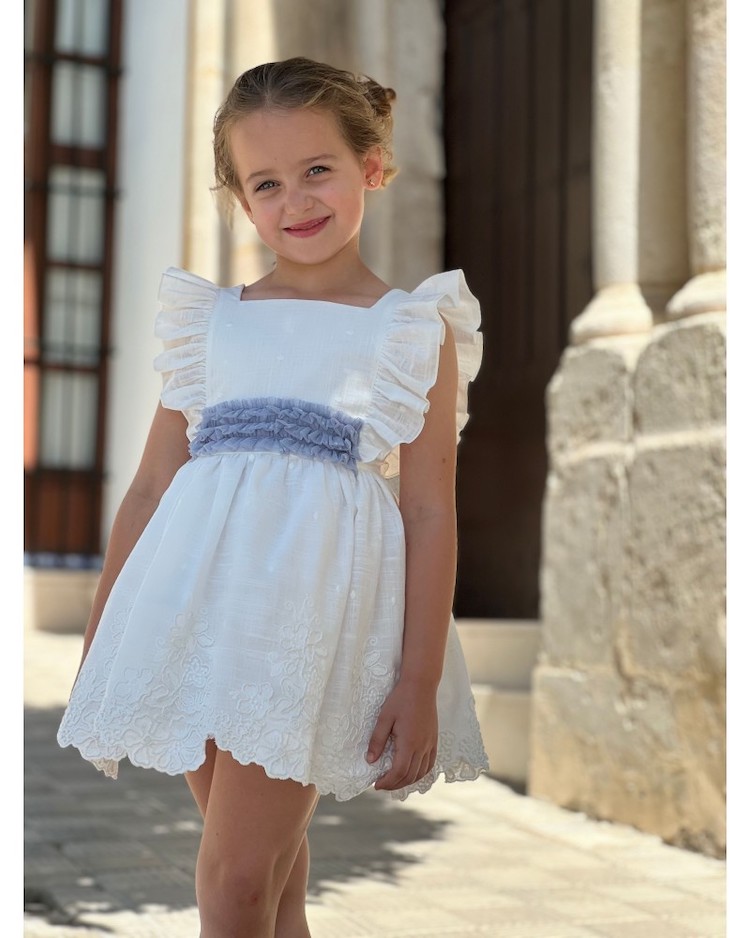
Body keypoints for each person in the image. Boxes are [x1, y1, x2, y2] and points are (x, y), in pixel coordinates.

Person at [58, 56, 489, 938]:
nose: (296, 200)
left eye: (317, 169)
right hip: (193, 616)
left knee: (237, 882)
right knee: (270, 887)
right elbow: (151, 487)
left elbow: (428, 509)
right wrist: (106, 631)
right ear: (240, 199)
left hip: (306, 636)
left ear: (371, 165)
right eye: (266, 183)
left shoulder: (410, 330)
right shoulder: (210, 323)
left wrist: (418, 679)